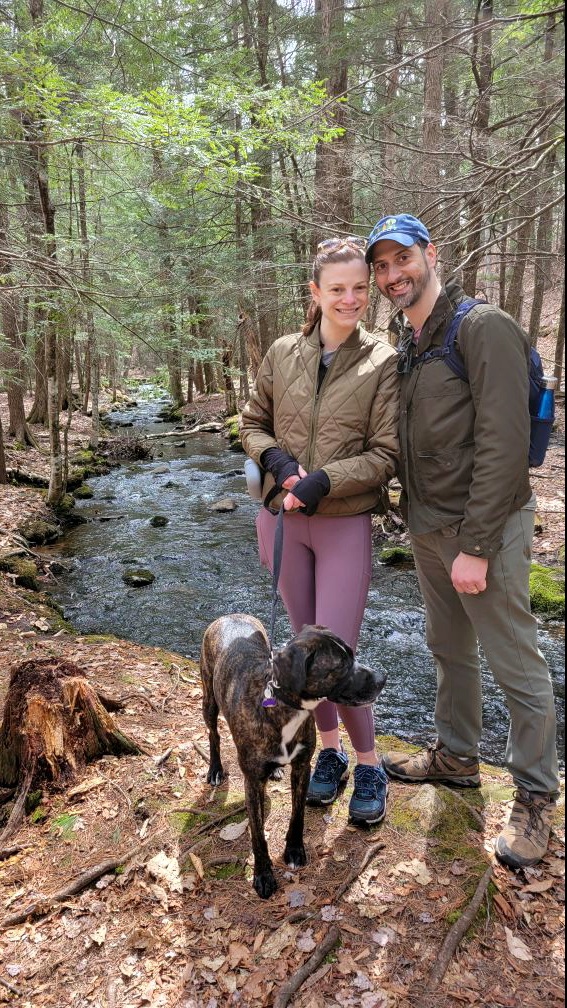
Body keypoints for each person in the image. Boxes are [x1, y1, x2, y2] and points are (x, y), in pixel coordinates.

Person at [365, 213, 559, 867]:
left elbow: (505, 446)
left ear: (431, 255)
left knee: (516, 664)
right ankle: (455, 757)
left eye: (402, 260)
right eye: (382, 267)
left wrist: (475, 546)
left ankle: (534, 797)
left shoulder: (483, 328)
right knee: (448, 648)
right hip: (426, 526)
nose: (393, 275)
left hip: (483, 530)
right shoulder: (411, 341)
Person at [240, 237, 399, 825]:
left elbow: (386, 454)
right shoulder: (283, 351)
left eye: (360, 287)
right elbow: (251, 420)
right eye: (338, 289)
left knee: (336, 652)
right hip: (281, 522)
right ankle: (327, 756)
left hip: (343, 526)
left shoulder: (383, 361)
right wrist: (280, 466)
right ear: (316, 292)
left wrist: (324, 479)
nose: (351, 298)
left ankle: (370, 763)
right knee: (303, 661)